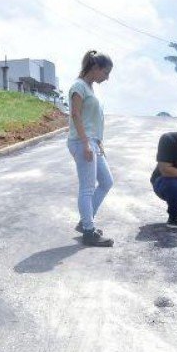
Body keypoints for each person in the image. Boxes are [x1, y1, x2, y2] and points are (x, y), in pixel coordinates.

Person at [67, 50, 114, 247]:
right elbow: (76, 115)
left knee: (106, 181)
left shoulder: (88, 87)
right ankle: (88, 230)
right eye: (106, 72)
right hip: (81, 142)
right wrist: (86, 142)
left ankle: (85, 222)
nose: (107, 77)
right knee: (87, 188)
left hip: (92, 142)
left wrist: (98, 141)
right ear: (95, 68)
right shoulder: (78, 86)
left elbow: (90, 119)